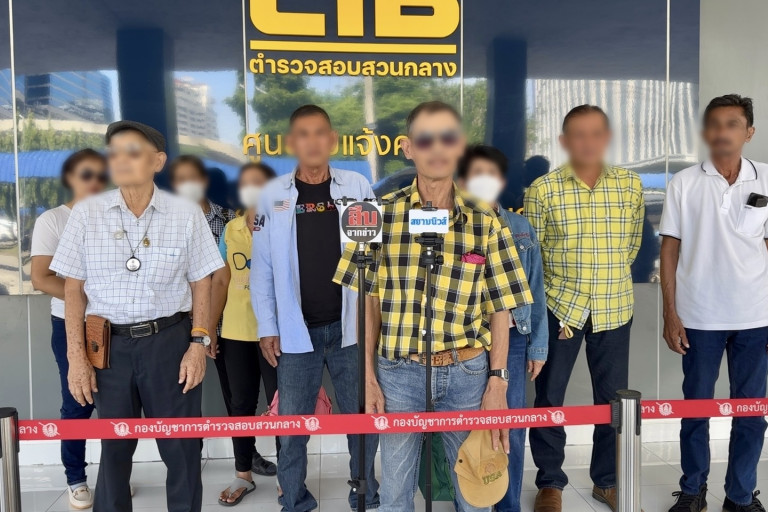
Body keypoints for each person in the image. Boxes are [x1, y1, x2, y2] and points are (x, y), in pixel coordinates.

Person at [334, 101, 533, 512]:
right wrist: (368, 376)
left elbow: (501, 307)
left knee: (473, 493)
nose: (437, 148)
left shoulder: (485, 220)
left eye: (447, 138)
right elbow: (367, 301)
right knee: (395, 495)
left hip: (467, 372)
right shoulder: (378, 216)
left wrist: (498, 382)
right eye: (426, 139)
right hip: (398, 373)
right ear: (408, 148)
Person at [50, 121, 224, 512]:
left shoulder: (184, 213)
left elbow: (203, 281)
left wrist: (199, 343)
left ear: (157, 161)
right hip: (108, 347)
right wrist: (77, 357)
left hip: (171, 343)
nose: (121, 160)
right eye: (114, 153)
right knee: (114, 449)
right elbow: (73, 290)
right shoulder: (88, 213)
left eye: (132, 152)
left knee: (182, 448)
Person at [251, 104, 380, 512]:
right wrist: (267, 326)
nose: (312, 141)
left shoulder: (357, 185)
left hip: (349, 330)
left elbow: (372, 259)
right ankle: (294, 499)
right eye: (303, 134)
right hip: (296, 332)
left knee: (361, 420)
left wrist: (373, 325)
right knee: (292, 428)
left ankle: (365, 493)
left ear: (332, 140)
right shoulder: (272, 195)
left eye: (320, 132)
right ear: (292, 142)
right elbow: (262, 269)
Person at [524, 105, 644, 512]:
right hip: (560, 308)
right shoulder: (543, 190)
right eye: (578, 134)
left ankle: (606, 481)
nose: (587, 142)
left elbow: (631, 246)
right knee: (549, 398)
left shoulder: (629, 185)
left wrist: (604, 278)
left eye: (596, 133)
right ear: (564, 141)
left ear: (606, 138)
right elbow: (535, 257)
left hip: (614, 306)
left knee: (612, 401)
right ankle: (549, 482)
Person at [661, 95, 768, 512]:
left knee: (751, 413)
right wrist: (671, 314)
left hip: (756, 316)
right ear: (706, 132)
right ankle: (693, 490)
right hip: (699, 316)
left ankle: (740, 496)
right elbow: (670, 249)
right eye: (715, 124)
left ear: (749, 132)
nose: (722, 132)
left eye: (732, 124)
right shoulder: (684, 182)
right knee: (695, 410)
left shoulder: (765, 178)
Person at [457, 144, 548, 512]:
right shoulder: (454, 225)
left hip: (512, 340)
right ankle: (472, 503)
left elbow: (536, 289)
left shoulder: (520, 228)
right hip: (466, 342)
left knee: (510, 426)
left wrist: (538, 346)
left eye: (491, 174)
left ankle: (508, 505)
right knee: (468, 429)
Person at [30, 149, 108, 509]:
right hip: (70, 323)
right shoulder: (53, 220)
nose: (95, 182)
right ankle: (76, 478)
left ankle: (114, 477)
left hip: (116, 324)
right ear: (72, 179)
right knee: (77, 401)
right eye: (86, 175)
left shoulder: (115, 217)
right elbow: (41, 278)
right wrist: (87, 297)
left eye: (101, 176)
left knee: (115, 404)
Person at [213, 162, 279, 506]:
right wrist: (208, 329)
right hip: (236, 330)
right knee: (240, 404)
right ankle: (243, 475)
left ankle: (289, 477)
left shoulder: (285, 224)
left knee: (283, 404)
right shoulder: (231, 229)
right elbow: (221, 280)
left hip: (277, 332)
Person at [169, 155, 240, 428]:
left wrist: (210, 325)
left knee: (236, 395)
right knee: (183, 392)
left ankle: (243, 449)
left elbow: (228, 277)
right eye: (181, 179)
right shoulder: (167, 224)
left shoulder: (229, 219)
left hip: (224, 323)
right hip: (177, 323)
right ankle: (191, 449)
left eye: (192, 178)